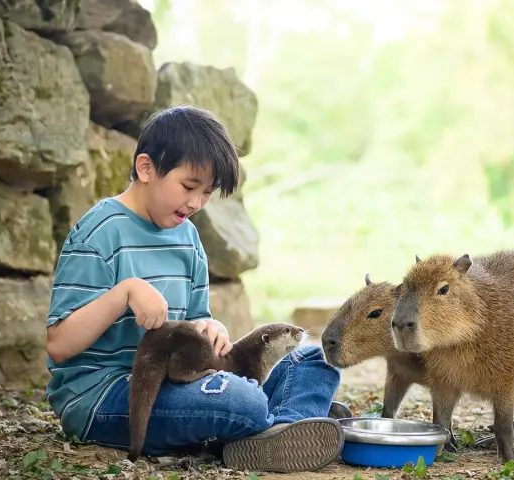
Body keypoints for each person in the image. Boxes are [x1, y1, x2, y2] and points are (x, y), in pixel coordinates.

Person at [44, 105, 351, 472]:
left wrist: (212, 329)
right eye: (189, 187)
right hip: (106, 396)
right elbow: (59, 345)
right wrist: (123, 293)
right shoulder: (99, 233)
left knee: (314, 359)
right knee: (242, 402)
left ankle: (280, 430)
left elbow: (195, 319)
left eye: (207, 193)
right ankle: (285, 419)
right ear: (146, 168)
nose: (195, 203)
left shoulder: (187, 237)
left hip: (181, 384)